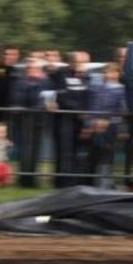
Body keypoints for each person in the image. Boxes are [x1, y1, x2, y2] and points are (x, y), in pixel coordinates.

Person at [51, 51, 92, 187]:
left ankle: (77, 183)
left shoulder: (89, 77)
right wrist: (78, 110)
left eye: (82, 62)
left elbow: (91, 97)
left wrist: (87, 113)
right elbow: (62, 96)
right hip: (65, 119)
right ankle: (62, 184)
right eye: (76, 61)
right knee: (65, 152)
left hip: (83, 120)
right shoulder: (60, 75)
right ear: (69, 62)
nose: (79, 65)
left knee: (79, 153)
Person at [84, 63, 127, 187]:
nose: (106, 74)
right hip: (95, 128)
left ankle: (105, 182)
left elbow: (123, 112)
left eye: (110, 72)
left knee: (108, 154)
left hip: (112, 127)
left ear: (117, 74)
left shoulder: (122, 90)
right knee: (94, 155)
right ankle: (92, 183)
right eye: (105, 72)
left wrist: (110, 123)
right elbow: (91, 108)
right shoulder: (96, 89)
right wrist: (91, 124)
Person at [11, 58, 51, 187]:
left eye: (34, 68)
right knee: (25, 151)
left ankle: (33, 179)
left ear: (40, 70)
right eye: (28, 68)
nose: (31, 71)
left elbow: (44, 100)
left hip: (39, 120)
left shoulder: (45, 82)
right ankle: (24, 180)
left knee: (36, 151)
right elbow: (18, 99)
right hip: (24, 120)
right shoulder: (20, 83)